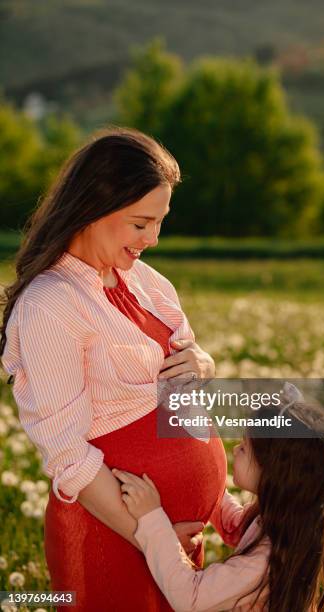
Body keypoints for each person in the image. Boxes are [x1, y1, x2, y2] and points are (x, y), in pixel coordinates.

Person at [0, 127, 227, 611]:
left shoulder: (148, 283)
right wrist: (154, 535)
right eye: (141, 223)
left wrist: (204, 363)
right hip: (115, 538)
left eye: (160, 222)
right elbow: (67, 456)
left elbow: (183, 369)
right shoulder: (50, 305)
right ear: (93, 209)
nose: (154, 239)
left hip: (172, 543)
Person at [112, 390, 324, 612]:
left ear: (272, 472)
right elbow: (236, 526)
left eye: (244, 448)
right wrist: (208, 485)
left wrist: (151, 517)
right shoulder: (287, 525)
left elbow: (189, 597)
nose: (235, 450)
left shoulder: (261, 564)